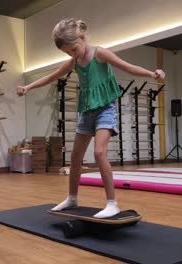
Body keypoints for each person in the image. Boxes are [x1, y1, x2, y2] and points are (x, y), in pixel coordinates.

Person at [17, 18, 165, 218]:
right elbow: (52, 77)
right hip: (86, 112)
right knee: (75, 157)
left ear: (82, 37)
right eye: (68, 53)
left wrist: (152, 74)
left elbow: (127, 67)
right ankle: (72, 198)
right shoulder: (74, 62)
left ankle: (112, 203)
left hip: (105, 108)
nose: (72, 54)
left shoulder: (100, 54)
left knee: (99, 153)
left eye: (73, 49)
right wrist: (28, 87)